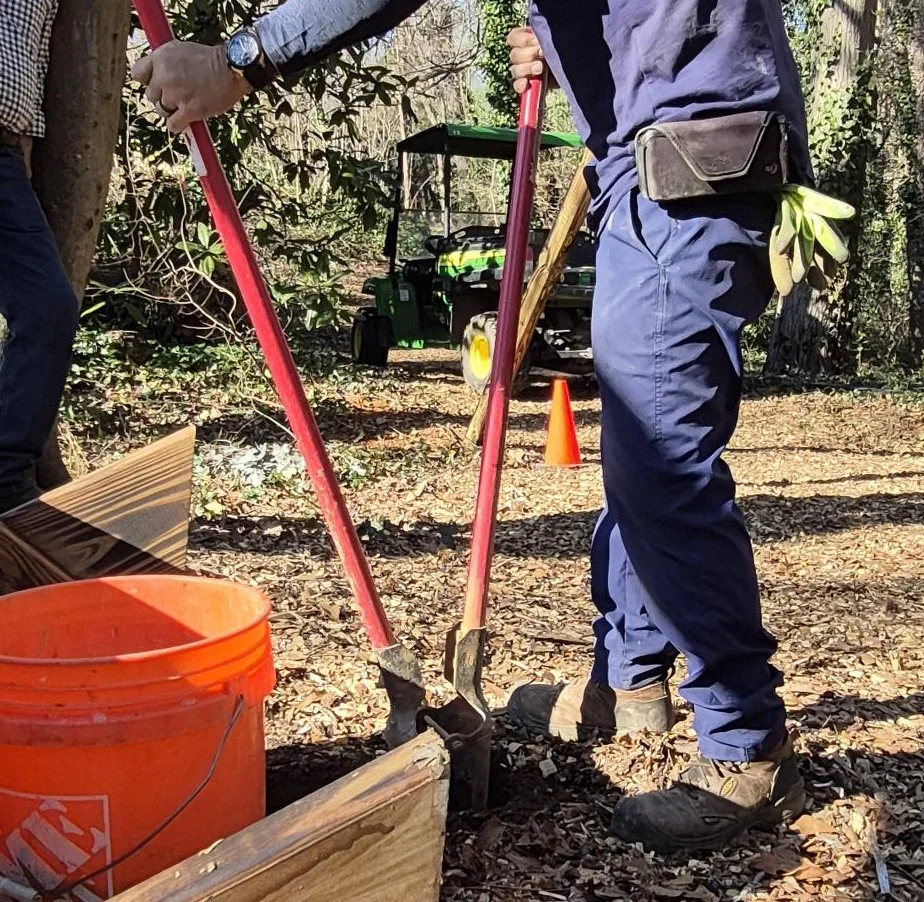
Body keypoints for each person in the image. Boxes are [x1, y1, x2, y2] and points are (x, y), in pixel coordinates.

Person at [133, 0, 811, 852]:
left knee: (661, 464)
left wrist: (242, 56)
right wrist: (570, 42)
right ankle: (629, 686)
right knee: (638, 452)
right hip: (654, 172)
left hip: (689, 166)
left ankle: (750, 747)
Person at [0, 1, 81, 516]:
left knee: (48, 307)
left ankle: (5, 472)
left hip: (6, 151)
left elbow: (33, 56)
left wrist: (25, 146)